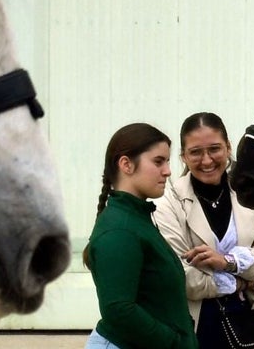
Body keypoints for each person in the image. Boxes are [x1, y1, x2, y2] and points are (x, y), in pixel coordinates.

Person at [154, 112, 254, 348]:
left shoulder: (249, 195)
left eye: (214, 149)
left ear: (228, 147)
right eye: (195, 152)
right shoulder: (169, 204)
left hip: (251, 328)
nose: (206, 160)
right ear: (183, 156)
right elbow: (179, 278)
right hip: (196, 330)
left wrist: (228, 261)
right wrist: (240, 282)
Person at [83, 123, 199, 349]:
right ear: (126, 164)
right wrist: (174, 342)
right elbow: (119, 309)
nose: (167, 170)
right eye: (158, 161)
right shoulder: (121, 229)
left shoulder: (137, 218)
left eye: (167, 161)